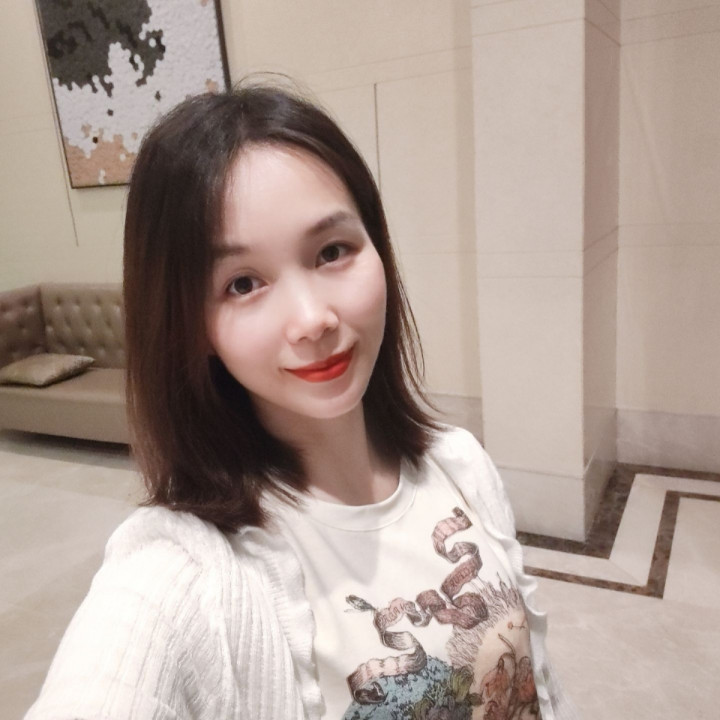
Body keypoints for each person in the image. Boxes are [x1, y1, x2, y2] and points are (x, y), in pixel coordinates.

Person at [26, 79, 577, 720]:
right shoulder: (183, 573)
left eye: (332, 251)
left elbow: (537, 682)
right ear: (191, 326)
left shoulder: (461, 466)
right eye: (242, 284)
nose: (313, 319)